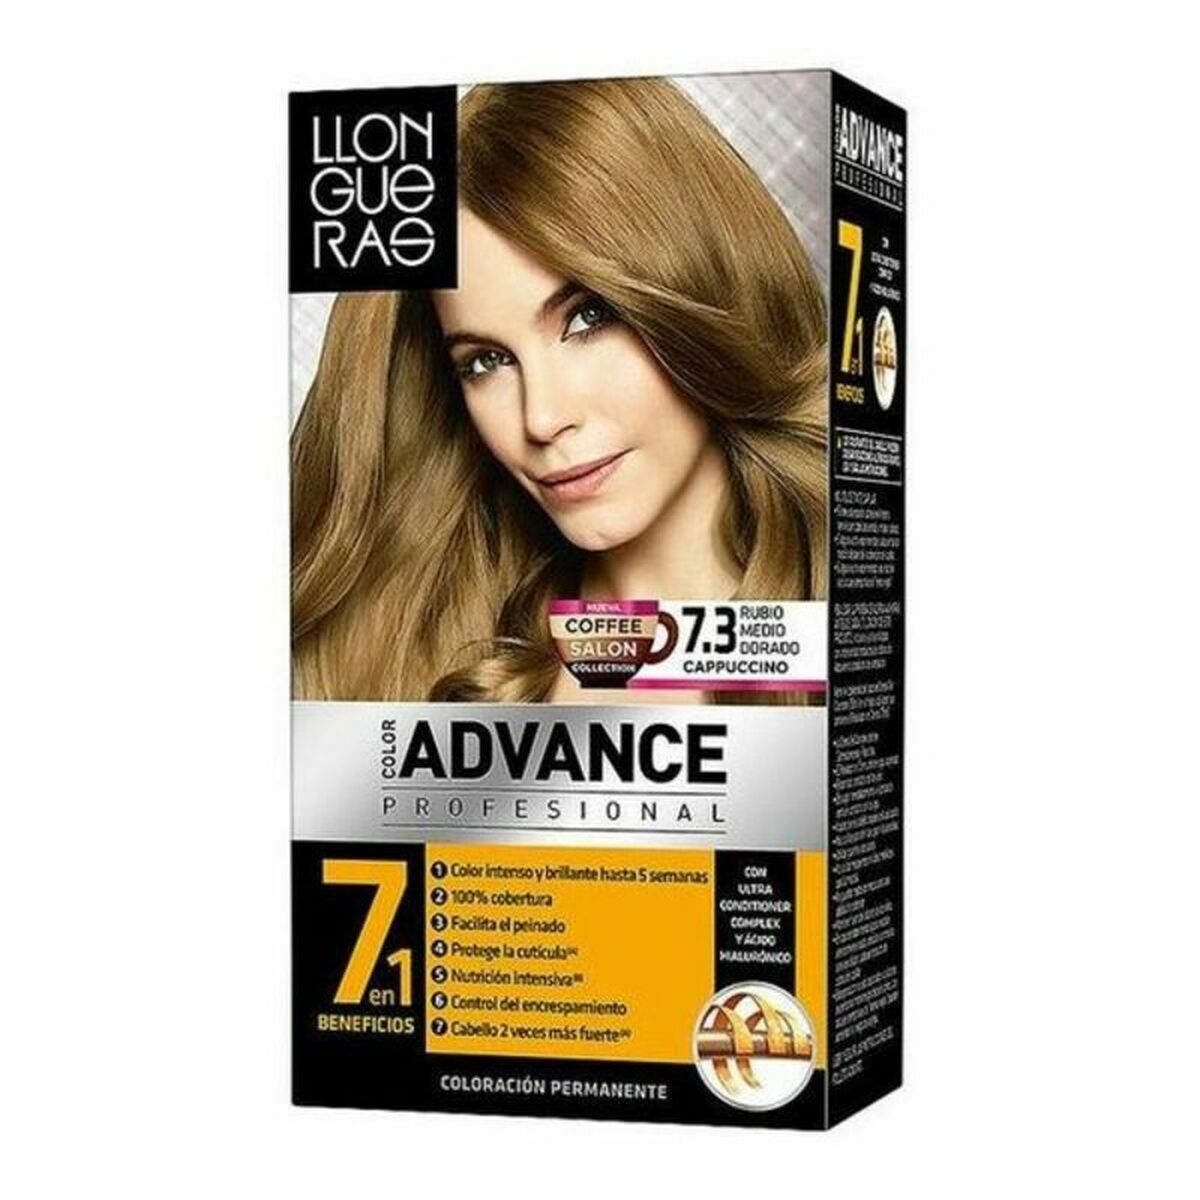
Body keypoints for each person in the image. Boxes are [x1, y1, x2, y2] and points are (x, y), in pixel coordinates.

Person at [292, 78, 827, 703]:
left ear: (699, 291)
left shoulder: (845, 635)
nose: (542, 419)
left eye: (588, 318)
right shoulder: (435, 690)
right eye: (486, 361)